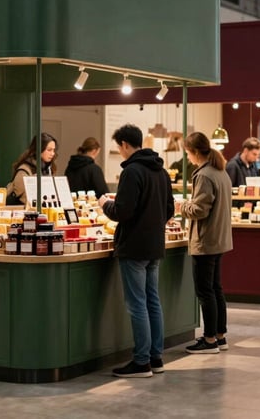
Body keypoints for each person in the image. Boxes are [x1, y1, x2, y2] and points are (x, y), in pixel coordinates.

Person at [98, 124, 174, 378]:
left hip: (134, 246)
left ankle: (141, 362)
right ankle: (156, 357)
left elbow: (122, 212)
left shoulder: (132, 172)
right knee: (152, 301)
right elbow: (170, 209)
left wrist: (105, 205)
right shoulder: (161, 171)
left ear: (124, 145)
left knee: (137, 304)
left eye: (118, 147)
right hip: (155, 245)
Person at [177, 132, 233, 354]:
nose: (187, 157)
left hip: (206, 240)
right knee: (216, 289)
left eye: (187, 153)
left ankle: (209, 339)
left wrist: (181, 206)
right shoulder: (220, 172)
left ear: (194, 152)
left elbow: (200, 210)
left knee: (204, 290)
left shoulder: (204, 175)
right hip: (219, 239)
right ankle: (220, 335)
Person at [6, 133, 58, 206]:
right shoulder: (24, 170)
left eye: (53, 150)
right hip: (24, 213)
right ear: (39, 150)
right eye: (49, 150)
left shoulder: (48, 169)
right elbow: (16, 196)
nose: (52, 153)